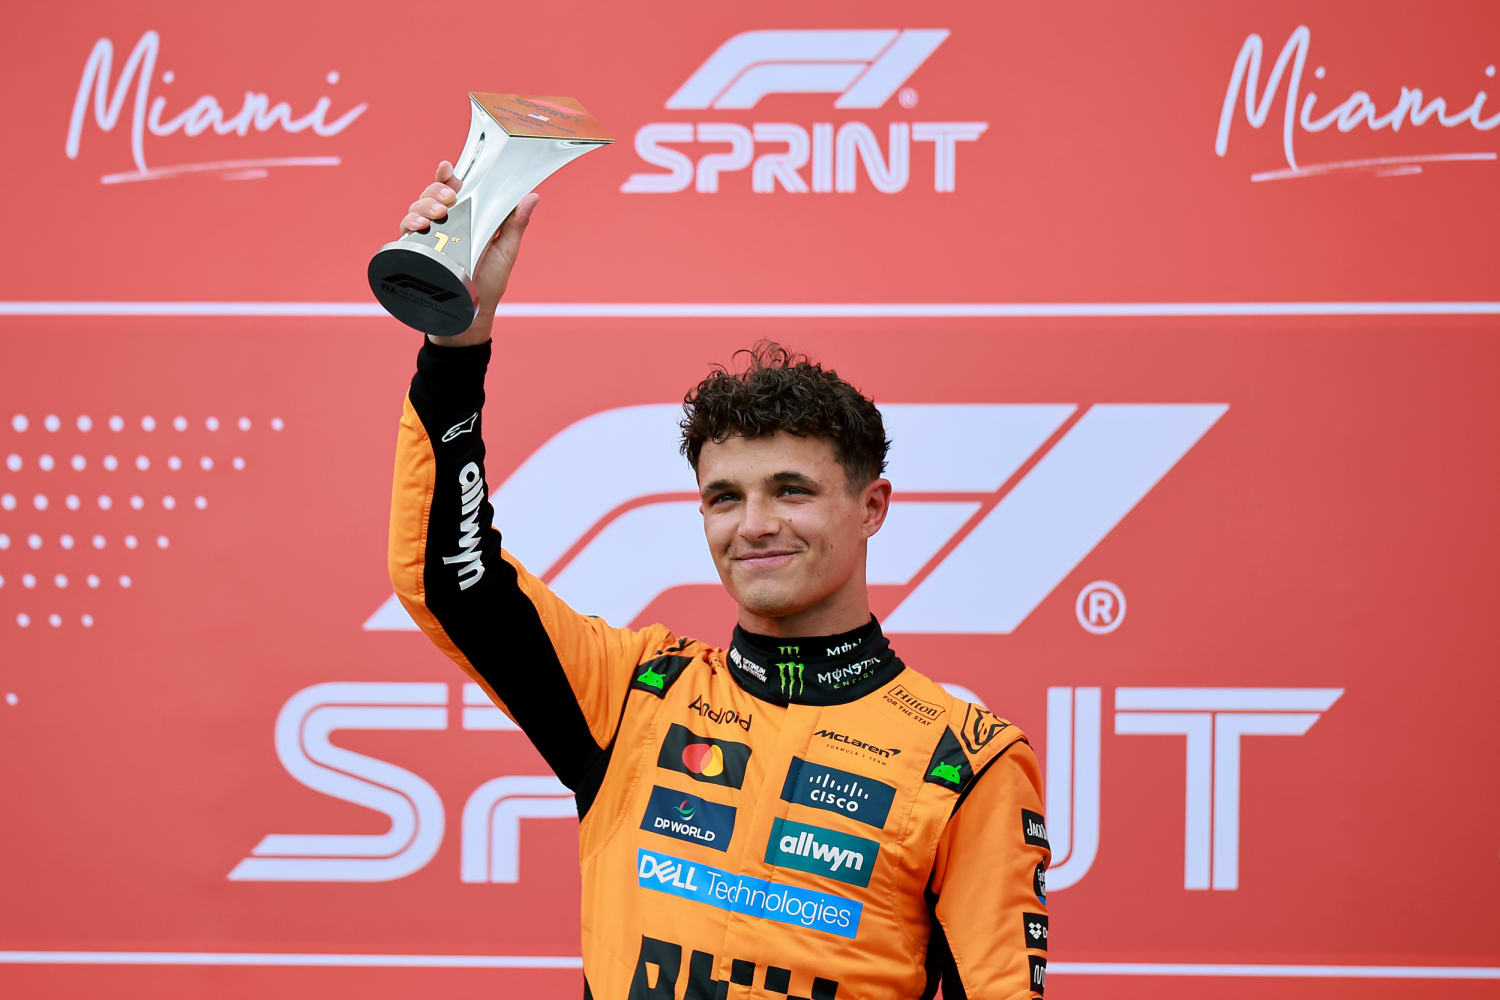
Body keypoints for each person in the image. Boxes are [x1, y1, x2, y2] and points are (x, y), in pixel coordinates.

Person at [388, 161, 1050, 1000]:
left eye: (792, 491)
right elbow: (453, 581)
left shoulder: (968, 761)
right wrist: (456, 344)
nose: (754, 525)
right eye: (725, 498)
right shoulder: (633, 696)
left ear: (872, 507)